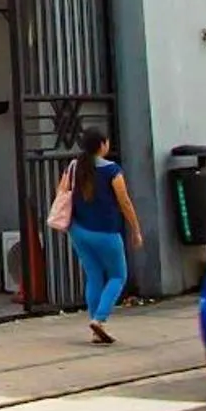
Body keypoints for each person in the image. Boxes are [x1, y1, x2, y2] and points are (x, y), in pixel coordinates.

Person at [61, 129, 140, 344]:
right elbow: (124, 202)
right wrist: (135, 229)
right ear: (102, 145)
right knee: (117, 276)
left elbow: (62, 192)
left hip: (78, 231)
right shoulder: (112, 170)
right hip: (106, 232)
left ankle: (96, 329)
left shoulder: (74, 166)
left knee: (94, 276)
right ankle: (99, 319)